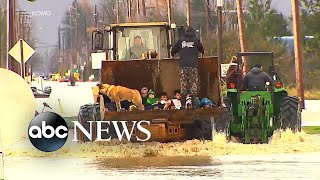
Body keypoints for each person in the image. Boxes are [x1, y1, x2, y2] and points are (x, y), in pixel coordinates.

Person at [171, 26, 204, 106]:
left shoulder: (181, 40)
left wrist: (173, 55)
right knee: (193, 85)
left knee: (184, 85)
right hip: (193, 66)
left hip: (183, 65)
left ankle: (182, 105)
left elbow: (173, 50)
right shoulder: (196, 40)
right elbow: (202, 50)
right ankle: (194, 104)